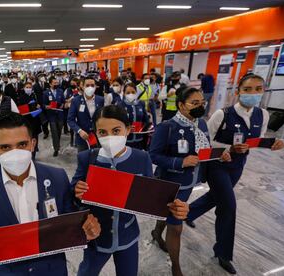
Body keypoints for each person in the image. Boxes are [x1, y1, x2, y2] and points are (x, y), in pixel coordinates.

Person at [0, 113, 101, 276]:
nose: (15, 153)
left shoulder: (57, 177)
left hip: (53, 270)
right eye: (5, 147)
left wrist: (87, 231)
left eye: (22, 144)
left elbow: (70, 222)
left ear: (33, 144)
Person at [72, 105, 189, 276]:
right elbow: (72, 195)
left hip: (128, 235)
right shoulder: (87, 158)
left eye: (116, 130)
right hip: (96, 237)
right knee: (87, 272)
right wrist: (76, 192)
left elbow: (151, 197)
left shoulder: (141, 158)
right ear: (95, 133)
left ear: (128, 129)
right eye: (102, 132)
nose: (109, 137)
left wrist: (174, 208)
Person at [185, 74, 284, 274]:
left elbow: (257, 140)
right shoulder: (222, 114)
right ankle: (223, 253)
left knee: (218, 197)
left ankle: (189, 212)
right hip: (217, 165)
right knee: (228, 206)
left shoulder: (263, 115)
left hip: (238, 166)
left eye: (258, 89)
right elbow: (205, 142)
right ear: (238, 91)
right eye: (247, 89)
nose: (253, 93)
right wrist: (229, 148)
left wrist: (272, 144)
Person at [150, 86, 229, 276]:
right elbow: (153, 155)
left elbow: (205, 149)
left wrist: (219, 155)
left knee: (167, 216)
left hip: (189, 183)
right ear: (180, 105)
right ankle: (176, 268)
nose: (200, 106)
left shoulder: (201, 124)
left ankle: (156, 233)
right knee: (176, 227)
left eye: (202, 103)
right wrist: (180, 161)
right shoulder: (167, 127)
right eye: (195, 103)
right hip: (170, 185)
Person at [68, 77, 104, 152]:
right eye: (87, 85)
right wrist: (79, 131)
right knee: (83, 159)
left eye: (92, 85)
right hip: (83, 137)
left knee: (96, 159)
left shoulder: (101, 100)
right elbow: (70, 120)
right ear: (83, 87)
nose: (90, 87)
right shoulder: (76, 100)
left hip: (97, 136)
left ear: (95, 87)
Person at [119, 83, 150, 150]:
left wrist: (145, 126)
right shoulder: (120, 105)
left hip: (140, 139)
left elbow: (146, 119)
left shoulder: (141, 103)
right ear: (124, 93)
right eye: (128, 92)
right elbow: (116, 122)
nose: (131, 94)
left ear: (136, 93)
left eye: (133, 92)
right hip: (125, 140)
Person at [17, 82, 42, 159]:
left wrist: (38, 106)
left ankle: (33, 155)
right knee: (27, 138)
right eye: (27, 87)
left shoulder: (34, 96)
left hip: (35, 120)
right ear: (24, 88)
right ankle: (27, 153)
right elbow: (20, 109)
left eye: (30, 87)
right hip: (26, 121)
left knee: (35, 138)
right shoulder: (21, 97)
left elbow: (39, 104)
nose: (28, 89)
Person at [43, 76, 65, 157]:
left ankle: (57, 143)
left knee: (59, 131)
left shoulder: (60, 91)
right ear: (50, 84)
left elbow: (63, 101)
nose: (56, 84)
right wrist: (47, 106)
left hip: (60, 115)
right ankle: (56, 149)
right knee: (54, 132)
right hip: (51, 116)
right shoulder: (46, 93)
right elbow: (44, 104)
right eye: (54, 83)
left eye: (57, 83)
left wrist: (62, 105)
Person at [33, 73, 50, 139]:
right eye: (40, 76)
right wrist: (37, 103)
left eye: (43, 76)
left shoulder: (47, 84)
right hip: (40, 105)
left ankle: (48, 129)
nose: (42, 77)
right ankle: (45, 132)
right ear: (38, 78)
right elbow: (35, 96)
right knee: (43, 120)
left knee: (48, 118)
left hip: (47, 104)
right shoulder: (35, 86)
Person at [64, 78, 81, 145]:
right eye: (71, 84)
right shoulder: (67, 90)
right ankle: (71, 140)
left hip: (79, 110)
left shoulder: (80, 90)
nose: (72, 85)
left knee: (78, 126)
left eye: (74, 84)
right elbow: (65, 100)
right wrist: (70, 99)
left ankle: (77, 140)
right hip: (70, 110)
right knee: (71, 126)